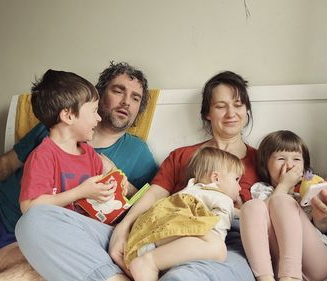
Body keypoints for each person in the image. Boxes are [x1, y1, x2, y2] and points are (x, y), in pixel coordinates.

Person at [16, 70, 259, 281]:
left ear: (247, 109)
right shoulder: (181, 156)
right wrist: (123, 229)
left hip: (224, 242)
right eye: (220, 106)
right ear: (207, 113)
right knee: (33, 221)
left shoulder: (266, 159)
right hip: (163, 231)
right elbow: (153, 197)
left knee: (183, 277)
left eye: (238, 105)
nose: (231, 113)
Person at [0, 62, 158, 281]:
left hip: (36, 244)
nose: (126, 102)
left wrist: (122, 183)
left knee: (45, 271)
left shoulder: (138, 153)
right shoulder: (51, 129)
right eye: (118, 90)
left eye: (135, 98)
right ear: (99, 95)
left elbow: (152, 204)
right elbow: (6, 164)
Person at [240, 130, 327, 281]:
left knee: (282, 201)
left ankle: (291, 277)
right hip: (274, 264)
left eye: (296, 159)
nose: (289, 165)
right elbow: (260, 218)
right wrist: (283, 185)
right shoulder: (260, 190)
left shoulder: (310, 190)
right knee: (251, 207)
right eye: (281, 158)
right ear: (265, 165)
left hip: (313, 262)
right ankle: (265, 278)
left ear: (304, 167)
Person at [125, 147, 244, 281]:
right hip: (169, 233)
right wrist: (241, 211)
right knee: (218, 248)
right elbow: (218, 230)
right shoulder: (223, 198)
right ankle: (150, 262)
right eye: (236, 179)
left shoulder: (190, 190)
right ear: (215, 178)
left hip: (143, 239)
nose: (239, 187)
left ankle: (149, 262)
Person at [19, 69, 118, 214]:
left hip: (85, 227)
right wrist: (80, 192)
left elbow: (99, 194)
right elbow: (29, 208)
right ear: (68, 116)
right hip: (54, 228)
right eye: (94, 111)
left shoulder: (89, 154)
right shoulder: (43, 156)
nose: (99, 118)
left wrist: (112, 187)